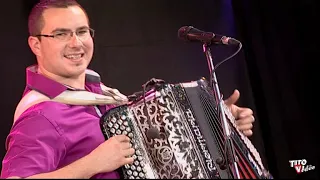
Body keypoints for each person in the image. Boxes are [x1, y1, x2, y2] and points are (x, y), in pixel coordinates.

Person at [1, 0, 255, 179]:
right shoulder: (39, 115)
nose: (76, 43)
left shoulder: (98, 93)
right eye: (61, 34)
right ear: (35, 44)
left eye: (81, 32)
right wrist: (90, 165)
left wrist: (218, 122)